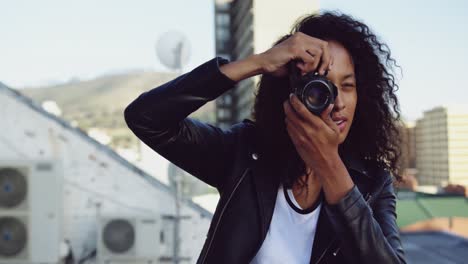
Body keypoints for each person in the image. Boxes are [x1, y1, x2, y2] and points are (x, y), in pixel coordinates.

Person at [124, 11, 406, 264]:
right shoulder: (244, 152)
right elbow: (146, 118)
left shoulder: (374, 182)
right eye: (323, 88)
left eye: (348, 86)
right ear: (293, 92)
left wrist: (329, 165)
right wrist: (258, 63)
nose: (339, 102)